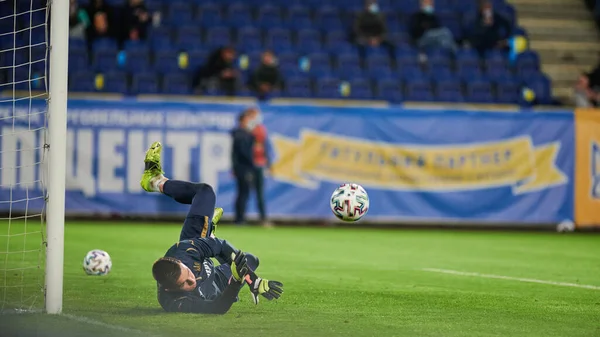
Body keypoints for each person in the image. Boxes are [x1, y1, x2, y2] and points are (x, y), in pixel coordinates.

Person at [140, 141, 283, 314]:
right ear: (169, 290)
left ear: (181, 263)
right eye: (184, 284)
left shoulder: (184, 251)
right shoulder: (174, 301)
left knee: (205, 192)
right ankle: (208, 234)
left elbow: (222, 247)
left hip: (198, 251)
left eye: (188, 274)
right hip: (219, 283)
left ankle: (155, 180)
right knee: (252, 259)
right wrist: (237, 282)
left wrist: (252, 279)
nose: (192, 281)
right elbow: (217, 308)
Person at [246, 107, 271, 227]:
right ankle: (241, 218)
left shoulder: (261, 129)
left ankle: (263, 218)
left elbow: (264, 146)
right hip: (248, 165)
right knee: (245, 192)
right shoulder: (246, 129)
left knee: (260, 193)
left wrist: (268, 163)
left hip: (259, 164)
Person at [231, 111, 256, 225]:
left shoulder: (243, 134)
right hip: (243, 167)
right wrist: (251, 164)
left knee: (243, 193)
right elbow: (244, 152)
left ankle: (240, 217)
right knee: (243, 193)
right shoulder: (241, 134)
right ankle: (240, 218)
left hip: (241, 167)